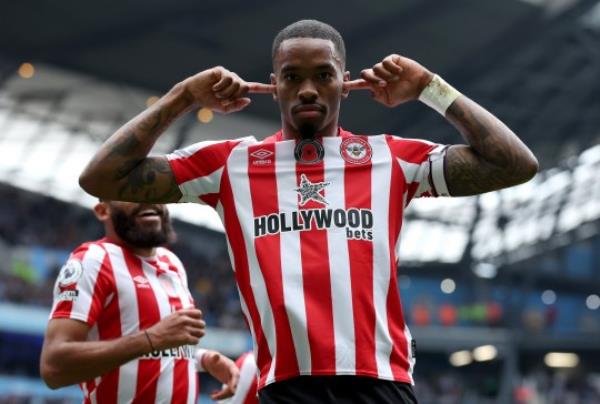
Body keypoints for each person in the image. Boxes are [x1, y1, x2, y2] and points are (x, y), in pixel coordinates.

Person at [78, 19, 538, 403]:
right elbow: (101, 179)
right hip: (285, 386)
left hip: (382, 383)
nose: (308, 89)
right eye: (292, 76)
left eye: (323, 75)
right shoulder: (229, 164)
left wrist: (428, 88)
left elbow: (514, 164)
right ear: (273, 85)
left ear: (345, 82)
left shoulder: (392, 159)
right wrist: (183, 96)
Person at [40, 200, 240, 403]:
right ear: (103, 211)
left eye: (153, 190)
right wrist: (151, 339)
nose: (147, 198)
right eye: (130, 192)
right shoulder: (93, 260)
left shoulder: (172, 264)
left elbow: (155, 349)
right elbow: (54, 367)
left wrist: (204, 359)